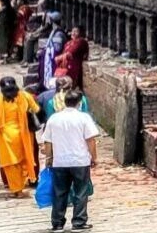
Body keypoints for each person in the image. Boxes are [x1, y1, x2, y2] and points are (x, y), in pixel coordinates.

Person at [39, 88, 100, 231]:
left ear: (65, 102)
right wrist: (94, 157)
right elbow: (90, 140)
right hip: (80, 161)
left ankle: (57, 223)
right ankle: (79, 222)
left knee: (59, 192)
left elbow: (48, 142)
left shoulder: (54, 118)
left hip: (59, 161)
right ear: (79, 103)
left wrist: (49, 158)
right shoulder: (84, 118)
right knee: (80, 192)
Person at [57, 26, 89, 91]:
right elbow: (65, 53)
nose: (73, 33)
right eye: (72, 31)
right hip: (65, 68)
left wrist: (59, 57)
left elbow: (71, 52)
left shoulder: (81, 41)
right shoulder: (68, 43)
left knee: (71, 87)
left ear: (80, 33)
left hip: (74, 68)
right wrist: (62, 57)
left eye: (76, 31)